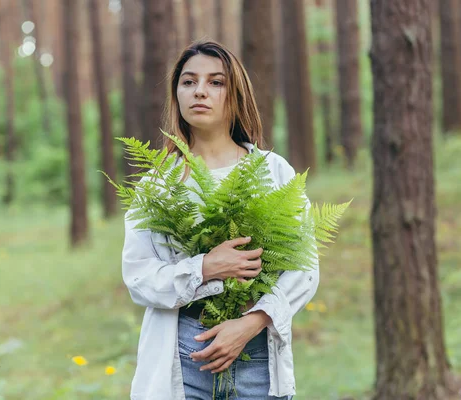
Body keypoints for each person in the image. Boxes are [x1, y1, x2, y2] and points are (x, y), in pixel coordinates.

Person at [122, 40, 319, 400]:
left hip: (256, 353)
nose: (200, 91)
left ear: (236, 94)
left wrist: (250, 323)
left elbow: (304, 269)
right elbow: (139, 277)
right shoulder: (159, 184)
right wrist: (206, 267)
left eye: (216, 82)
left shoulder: (273, 172)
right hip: (182, 353)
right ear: (176, 94)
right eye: (188, 81)